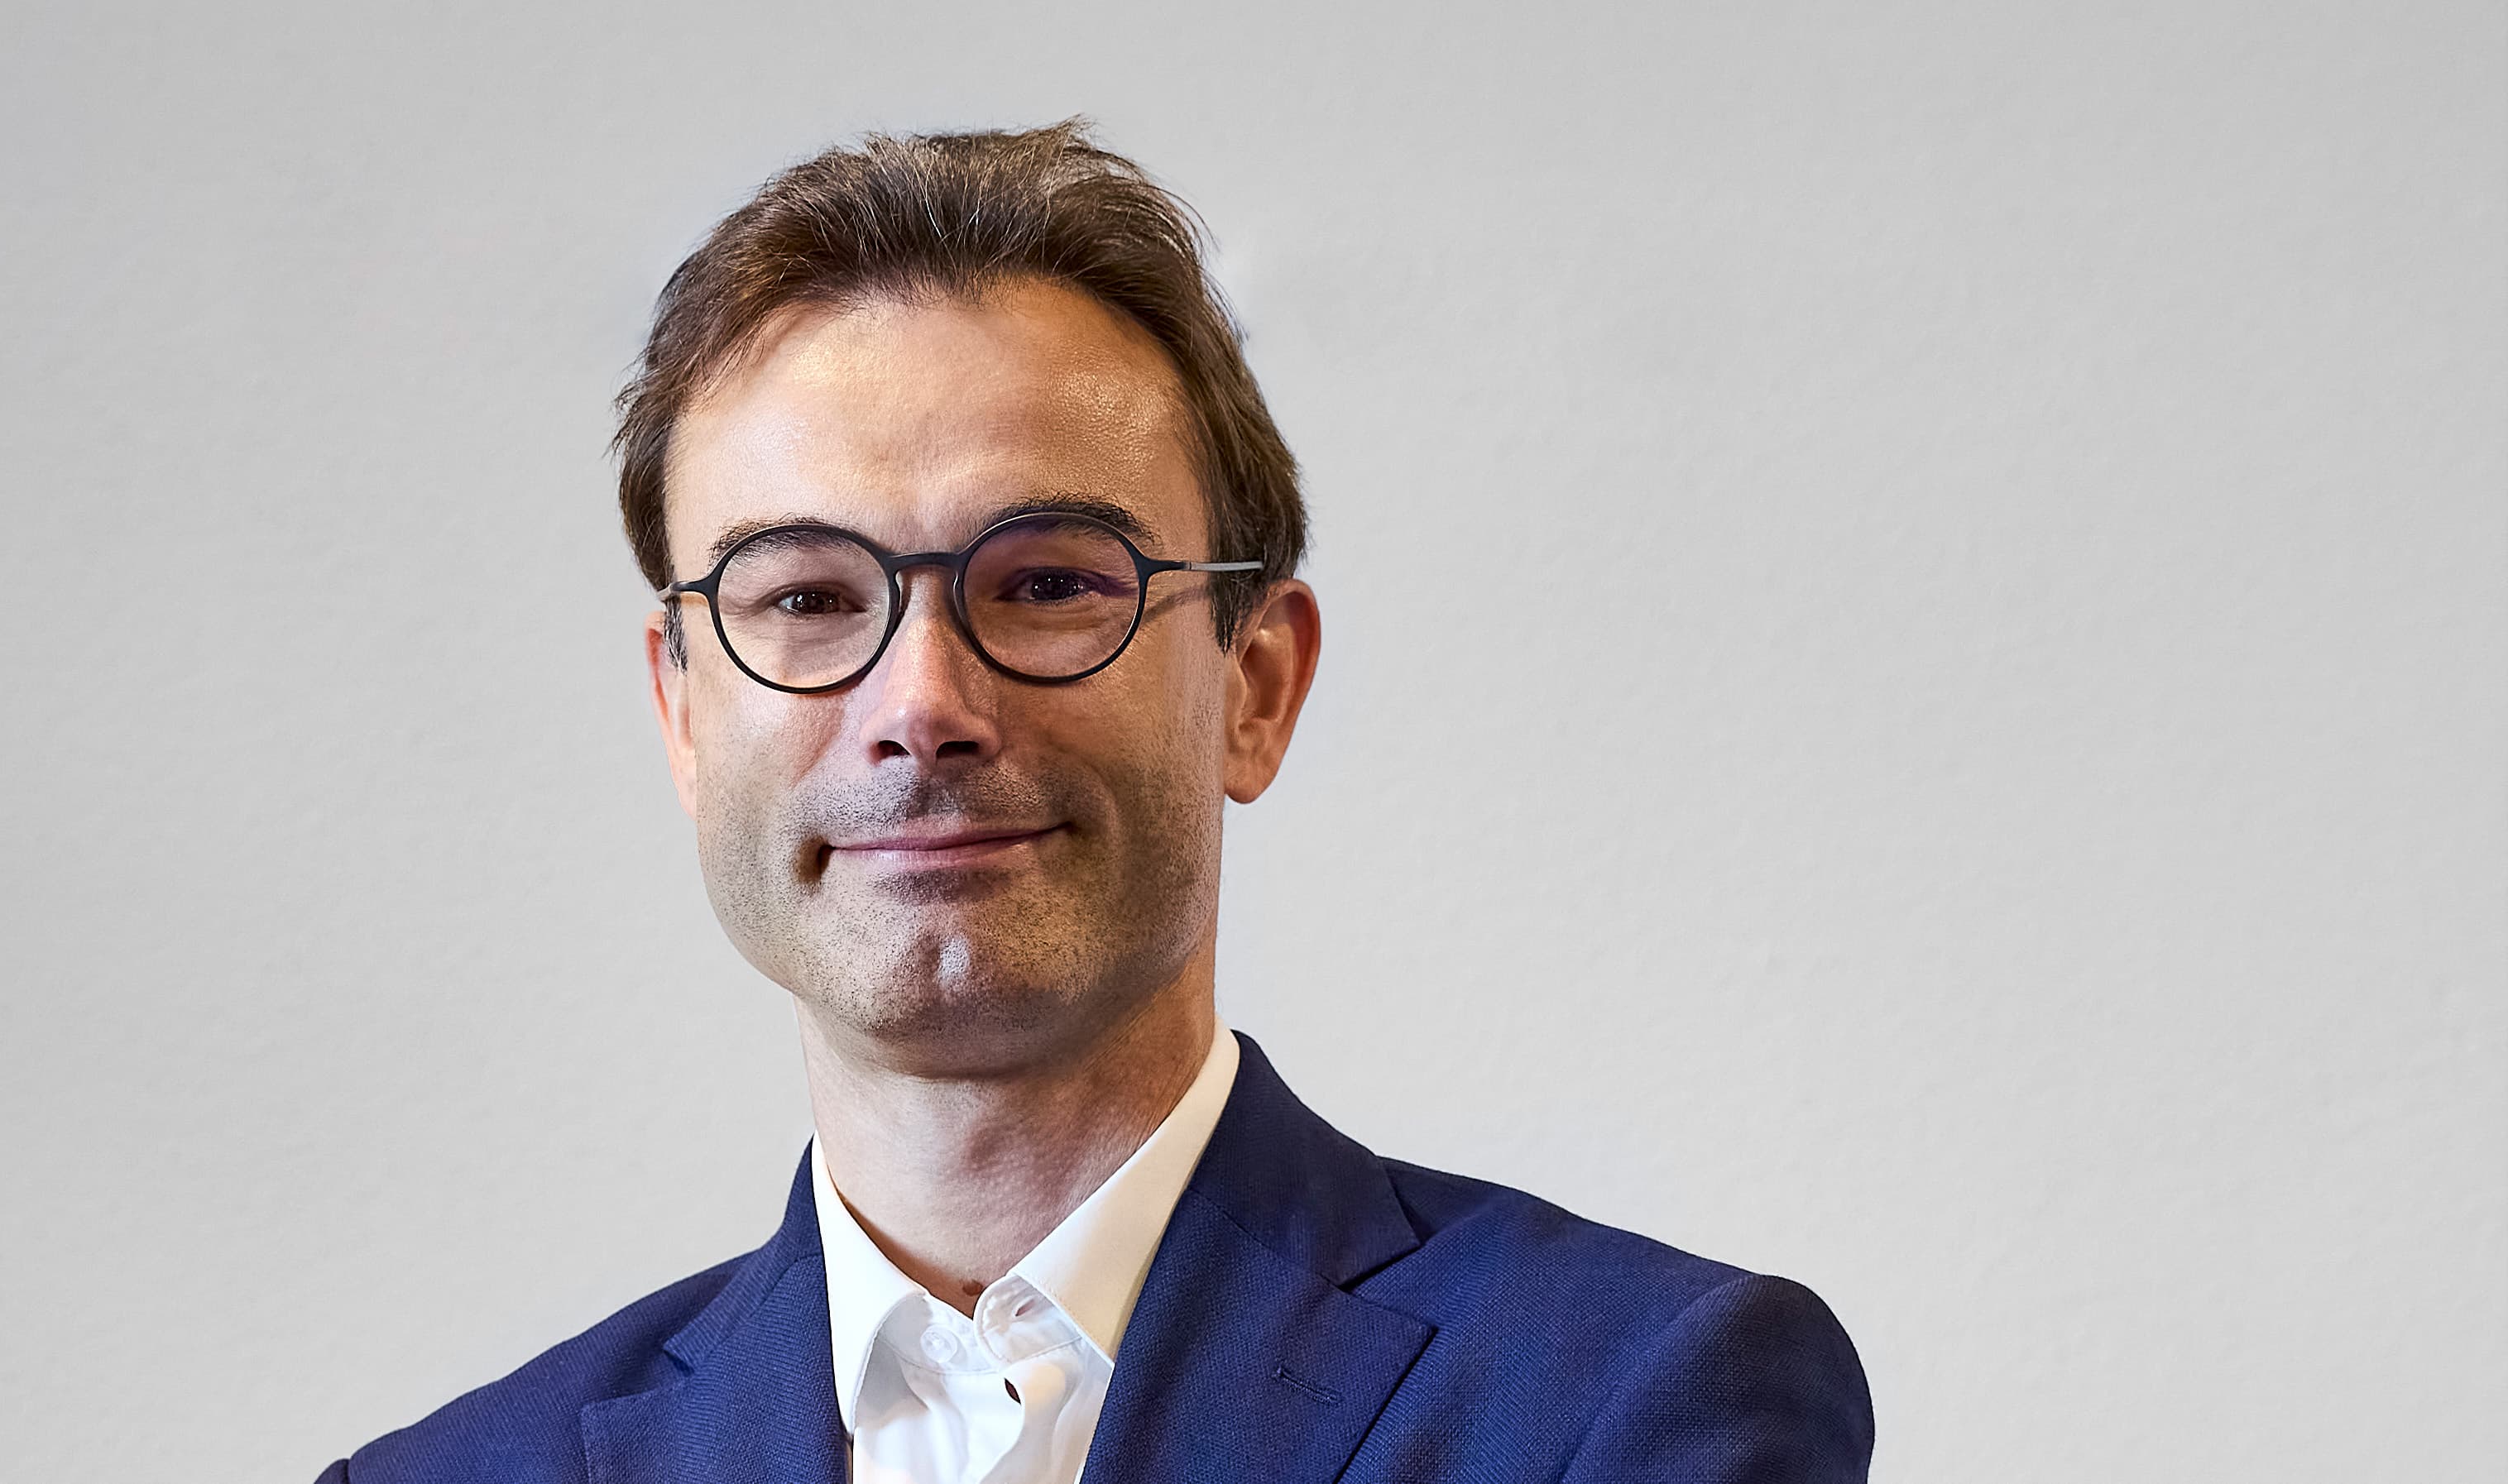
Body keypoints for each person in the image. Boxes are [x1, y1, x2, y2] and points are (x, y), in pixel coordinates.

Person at [318, 121, 1874, 1484]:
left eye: (1051, 580)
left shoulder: (1632, 1404)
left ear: (1252, 684)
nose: (920, 703)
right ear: (679, 709)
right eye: (803, 597)